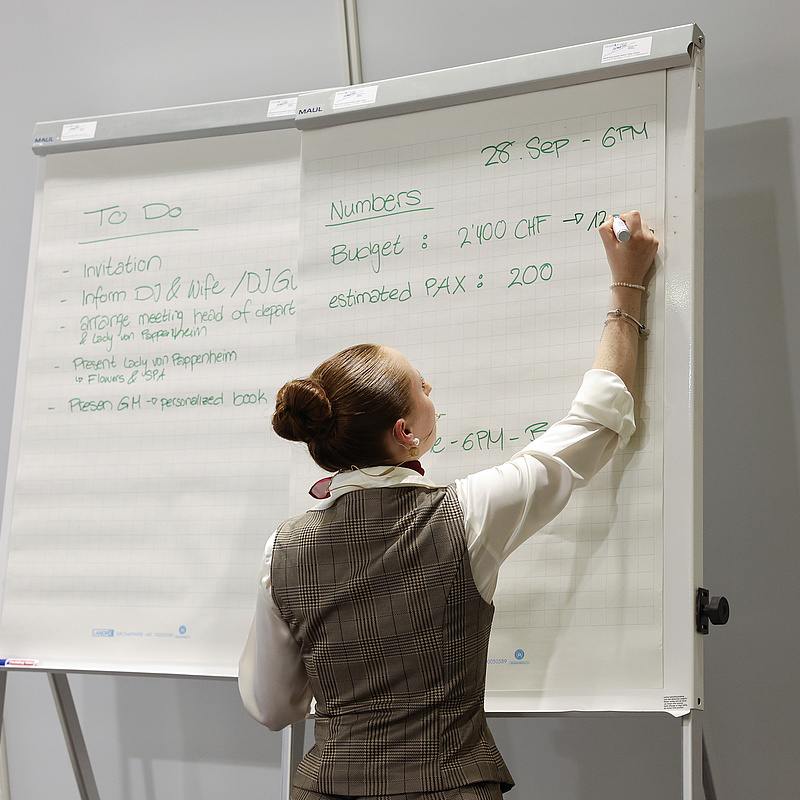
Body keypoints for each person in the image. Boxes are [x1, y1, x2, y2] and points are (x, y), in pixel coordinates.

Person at [238, 211, 659, 800]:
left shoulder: (282, 549)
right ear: (406, 433)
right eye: (421, 385)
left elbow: (270, 707)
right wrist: (627, 288)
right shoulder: (468, 514)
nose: (431, 390)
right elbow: (592, 427)